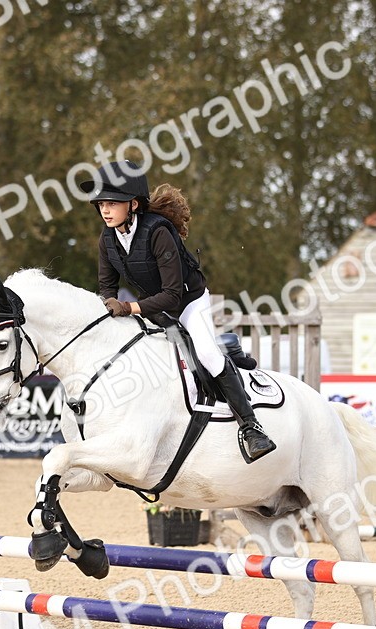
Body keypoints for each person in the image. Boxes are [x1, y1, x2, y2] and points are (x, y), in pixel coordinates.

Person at [81, 160, 276, 463]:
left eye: (113, 203)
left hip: (187, 302)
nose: (105, 210)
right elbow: (107, 286)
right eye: (102, 204)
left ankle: (252, 428)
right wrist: (110, 305)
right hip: (152, 306)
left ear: (133, 204)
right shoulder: (107, 239)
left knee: (207, 355)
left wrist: (129, 307)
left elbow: (172, 295)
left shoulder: (158, 232)